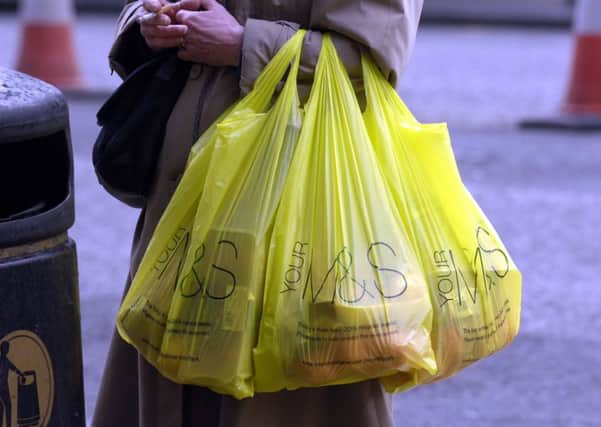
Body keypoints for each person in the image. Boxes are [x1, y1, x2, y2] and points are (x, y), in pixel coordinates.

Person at [93, 1, 424, 426]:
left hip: (296, 218)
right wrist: (150, 21)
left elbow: (368, 66)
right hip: (183, 208)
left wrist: (242, 44)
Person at [0, 341, 24, 427]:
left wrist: (21, 373)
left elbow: (13, 368)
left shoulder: (6, 361)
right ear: (2, 349)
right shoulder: (2, 361)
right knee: (2, 407)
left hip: (5, 388)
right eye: (5, 348)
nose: (7, 350)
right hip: (1, 388)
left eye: (7, 348)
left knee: (8, 406)